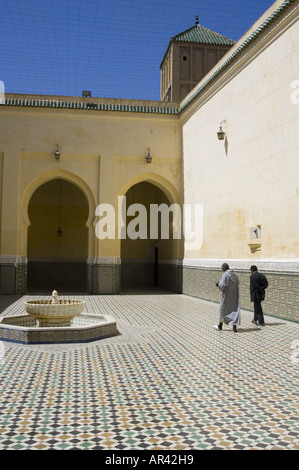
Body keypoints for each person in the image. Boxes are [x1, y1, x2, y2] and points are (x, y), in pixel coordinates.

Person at [215, 263, 241, 332]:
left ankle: (220, 325)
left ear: (224, 268)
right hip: (234, 296)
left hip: (226, 296)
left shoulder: (225, 275)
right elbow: (238, 283)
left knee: (222, 309)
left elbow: (222, 286)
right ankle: (234, 327)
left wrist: (218, 285)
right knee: (234, 310)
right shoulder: (235, 275)